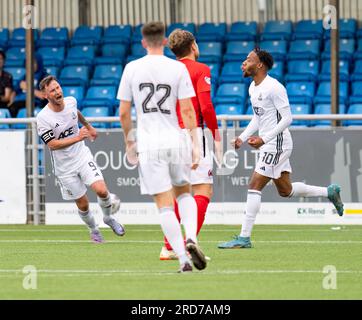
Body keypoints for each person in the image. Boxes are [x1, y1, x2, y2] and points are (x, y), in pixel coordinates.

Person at [218, 48, 344, 249]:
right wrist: (241, 138)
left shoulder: (274, 87)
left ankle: (244, 237)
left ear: (259, 65)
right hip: (270, 143)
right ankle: (329, 191)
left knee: (254, 185)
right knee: (286, 190)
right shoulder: (253, 87)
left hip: (276, 143)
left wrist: (264, 138)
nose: (243, 62)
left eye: (248, 59)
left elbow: (288, 118)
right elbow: (258, 118)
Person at [117, 21, 207, 273]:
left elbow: (124, 112)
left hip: (150, 143)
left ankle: (182, 259)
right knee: (185, 192)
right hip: (176, 139)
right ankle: (192, 237)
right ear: (165, 41)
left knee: (164, 204)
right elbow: (188, 109)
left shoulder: (132, 68)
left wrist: (129, 141)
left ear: (144, 42)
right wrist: (195, 144)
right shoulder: (177, 68)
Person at [36, 75, 125, 243]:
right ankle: (93, 229)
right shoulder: (43, 118)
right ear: (46, 95)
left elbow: (75, 114)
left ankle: (107, 218)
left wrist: (89, 127)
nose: (57, 92)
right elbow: (52, 144)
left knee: (101, 190)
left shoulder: (71, 102)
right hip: (64, 168)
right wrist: (78, 137)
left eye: (58, 88)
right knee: (83, 204)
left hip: (82, 157)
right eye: (52, 90)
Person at [159, 29, 222, 260]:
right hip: (194, 132)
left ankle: (169, 246)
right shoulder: (200, 69)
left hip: (169, 132)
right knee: (203, 189)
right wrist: (215, 136)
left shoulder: (167, 70)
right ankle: (189, 241)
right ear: (193, 46)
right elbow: (206, 106)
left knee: (180, 192)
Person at [9, 53, 48, 117]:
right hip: (19, 102)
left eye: (34, 63)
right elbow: (14, 92)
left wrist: (28, 88)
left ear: (39, 63)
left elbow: (43, 96)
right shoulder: (24, 76)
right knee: (10, 108)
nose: (30, 65)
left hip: (34, 102)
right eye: (29, 62)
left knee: (14, 108)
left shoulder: (44, 76)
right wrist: (11, 102)